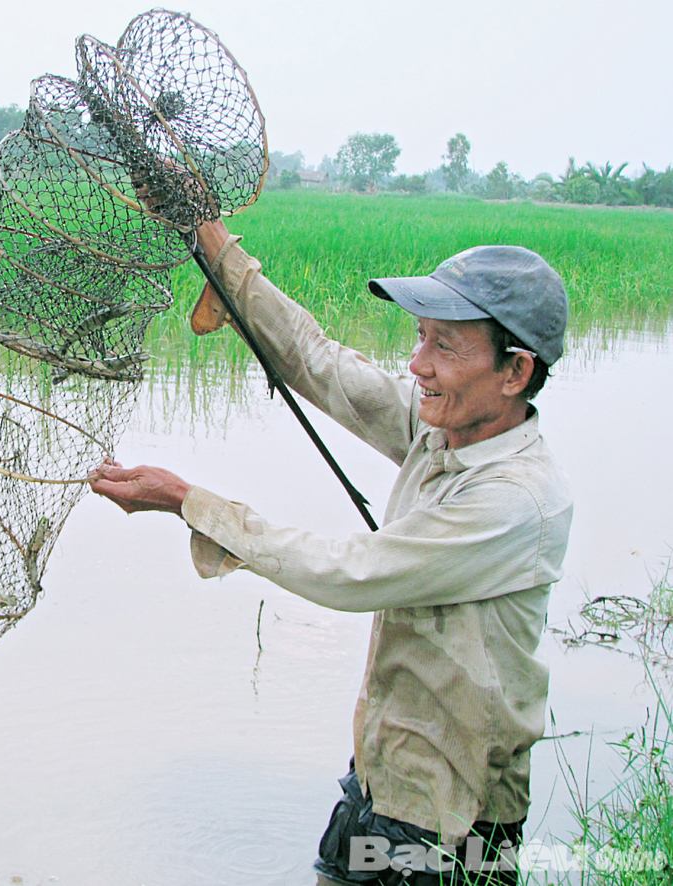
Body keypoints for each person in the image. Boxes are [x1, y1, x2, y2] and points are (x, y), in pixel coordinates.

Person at [88, 218, 573, 885]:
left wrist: (187, 502)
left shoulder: (514, 499)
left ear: (514, 370)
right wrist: (213, 245)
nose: (417, 364)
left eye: (446, 347)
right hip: (379, 783)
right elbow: (319, 364)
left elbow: (349, 573)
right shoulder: (446, 433)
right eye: (419, 337)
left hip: (453, 819)